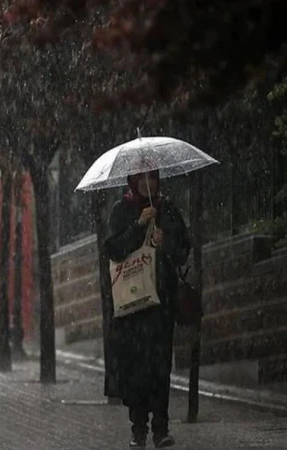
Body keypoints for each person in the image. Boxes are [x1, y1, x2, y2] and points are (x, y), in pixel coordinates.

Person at [105, 169, 190, 448]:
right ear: (132, 181)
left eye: (151, 177)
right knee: (136, 368)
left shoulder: (167, 209)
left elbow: (182, 251)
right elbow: (114, 249)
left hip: (160, 304)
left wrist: (167, 242)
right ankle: (138, 428)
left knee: (160, 366)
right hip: (132, 305)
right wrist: (139, 226)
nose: (146, 183)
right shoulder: (122, 210)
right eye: (140, 178)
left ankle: (161, 428)